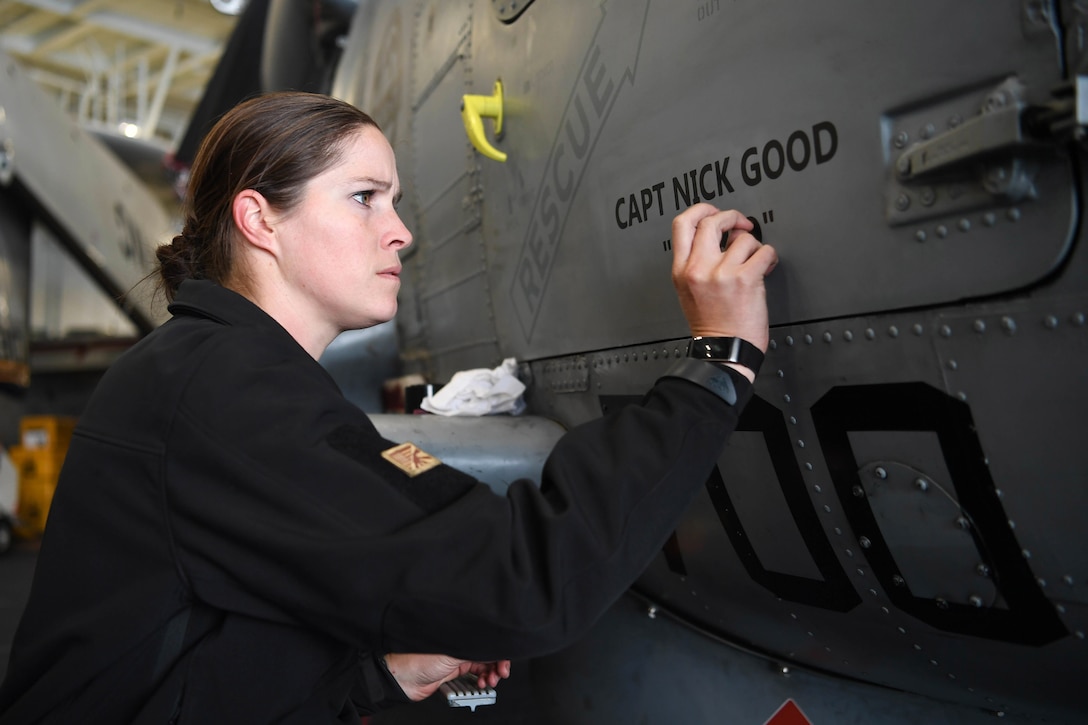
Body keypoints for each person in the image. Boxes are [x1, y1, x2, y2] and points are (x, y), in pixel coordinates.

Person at [0, 91, 777, 723]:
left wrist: (382, 673)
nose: (400, 232)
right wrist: (718, 364)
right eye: (366, 198)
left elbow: (195, 656)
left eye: (395, 200)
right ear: (259, 219)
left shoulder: (213, 369)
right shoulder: (226, 390)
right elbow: (521, 582)